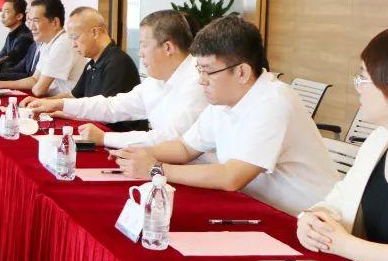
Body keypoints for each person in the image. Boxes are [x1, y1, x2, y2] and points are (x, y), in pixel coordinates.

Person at [112, 16, 339, 216]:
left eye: (208, 71)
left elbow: (232, 177)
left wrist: (156, 169)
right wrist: (138, 154)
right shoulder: (224, 100)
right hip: (257, 207)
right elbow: (185, 148)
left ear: (241, 72)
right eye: (199, 70)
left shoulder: (274, 101)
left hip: (306, 222)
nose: (201, 80)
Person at [26, 10, 208, 149]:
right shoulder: (156, 80)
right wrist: (60, 104)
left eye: (144, 45)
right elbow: (113, 106)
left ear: (168, 47)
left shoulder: (198, 81)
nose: (140, 53)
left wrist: (105, 138)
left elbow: (170, 138)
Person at [298, 28, 388, 261]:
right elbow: (338, 202)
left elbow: (344, 244)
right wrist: (314, 219)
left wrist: (342, 244)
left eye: (364, 78)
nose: (358, 88)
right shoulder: (379, 139)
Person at [22, 7, 142, 129]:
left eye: (75, 37)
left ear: (95, 32)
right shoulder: (92, 63)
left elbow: (104, 113)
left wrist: (57, 110)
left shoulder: (117, 63)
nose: (73, 45)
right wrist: (44, 103)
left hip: (116, 134)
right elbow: (74, 96)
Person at [2, 0, 86, 97]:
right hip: (53, 100)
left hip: (65, 103)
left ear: (55, 22)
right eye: (30, 21)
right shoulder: (48, 43)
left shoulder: (62, 43)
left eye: (36, 21)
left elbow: (39, 90)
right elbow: (34, 79)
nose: (31, 27)